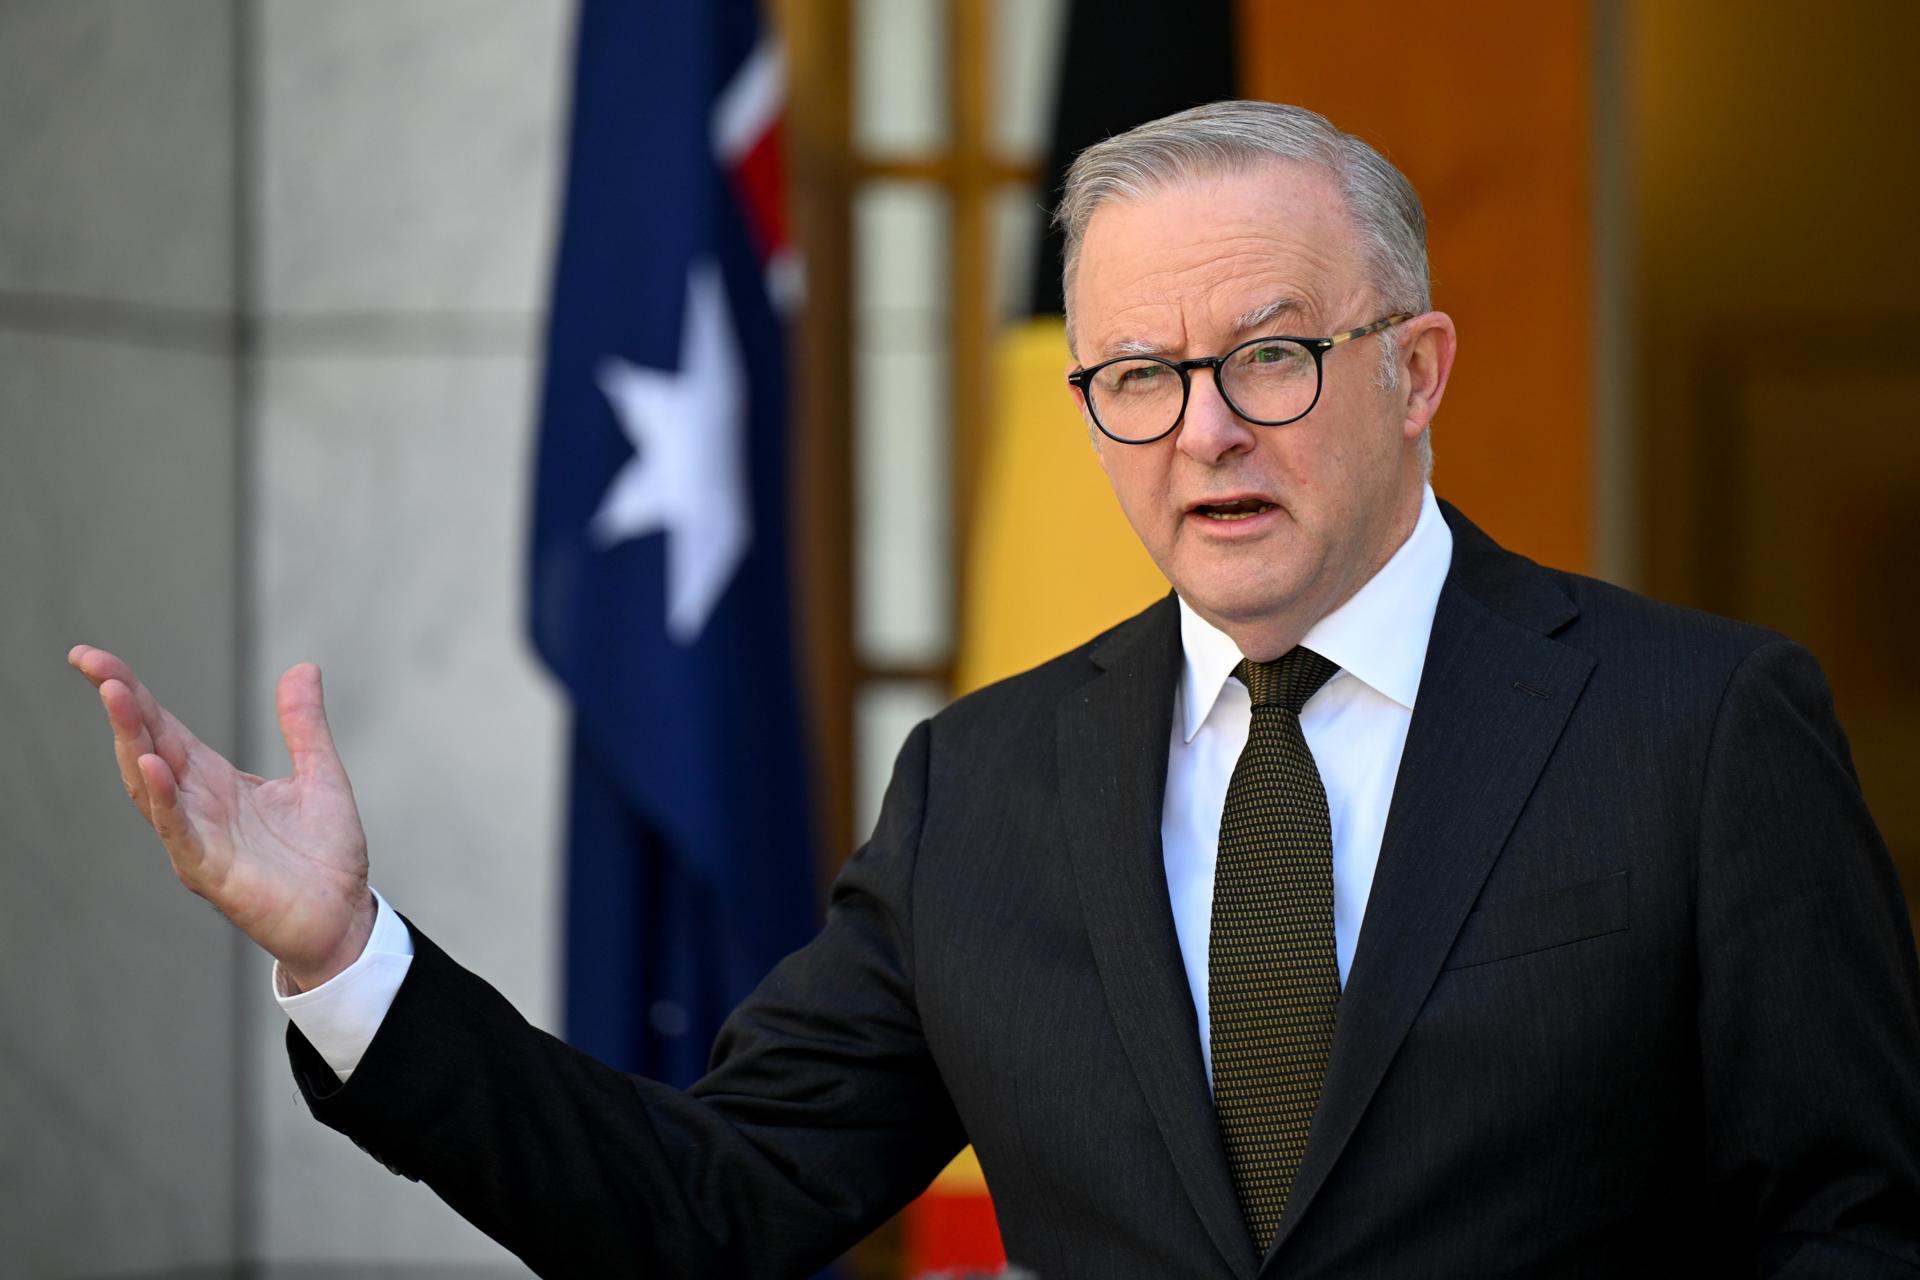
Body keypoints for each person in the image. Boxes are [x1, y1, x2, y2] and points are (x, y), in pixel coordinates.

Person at [70, 101, 1920, 1278]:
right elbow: (707, 1209)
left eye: (1272, 356)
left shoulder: (1700, 729)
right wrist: (345, 959)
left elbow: (1850, 1228)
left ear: (1416, 367)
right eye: (1137, 376)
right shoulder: (986, 783)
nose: (1203, 434)